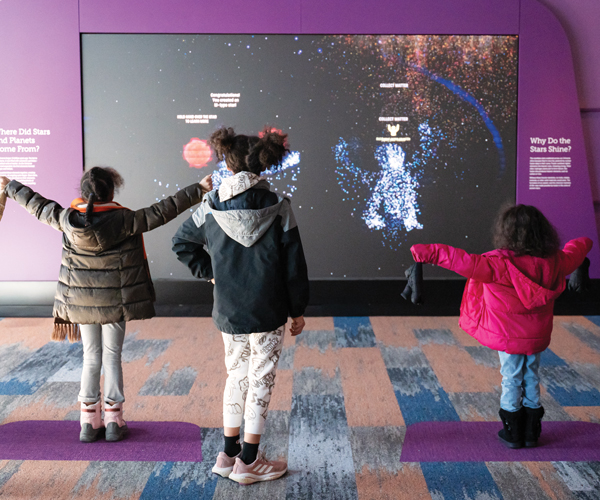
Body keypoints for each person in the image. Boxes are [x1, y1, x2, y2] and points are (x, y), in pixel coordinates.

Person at [0, 168, 210, 442]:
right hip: (116, 301)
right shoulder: (126, 219)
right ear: (112, 192)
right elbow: (163, 210)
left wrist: (10, 186)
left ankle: (88, 421)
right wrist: (199, 188)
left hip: (81, 301)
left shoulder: (66, 219)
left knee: (91, 356)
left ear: (84, 192)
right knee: (112, 356)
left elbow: (37, 205)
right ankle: (113, 419)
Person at [172, 126, 309, 484]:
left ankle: (228, 453)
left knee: (237, 375)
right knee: (261, 378)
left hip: (229, 310)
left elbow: (181, 243)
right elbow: (294, 265)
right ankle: (249, 461)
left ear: (227, 162)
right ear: (262, 162)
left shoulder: (211, 205)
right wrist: (298, 310)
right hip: (269, 309)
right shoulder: (279, 207)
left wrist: (213, 275)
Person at [409, 204, 592, 448]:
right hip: (536, 336)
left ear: (506, 233)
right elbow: (579, 247)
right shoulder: (556, 262)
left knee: (511, 378)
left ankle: (513, 433)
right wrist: (584, 251)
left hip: (508, 338)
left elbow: (457, 259)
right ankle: (531, 432)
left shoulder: (496, 264)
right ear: (543, 232)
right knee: (532, 375)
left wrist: (422, 252)